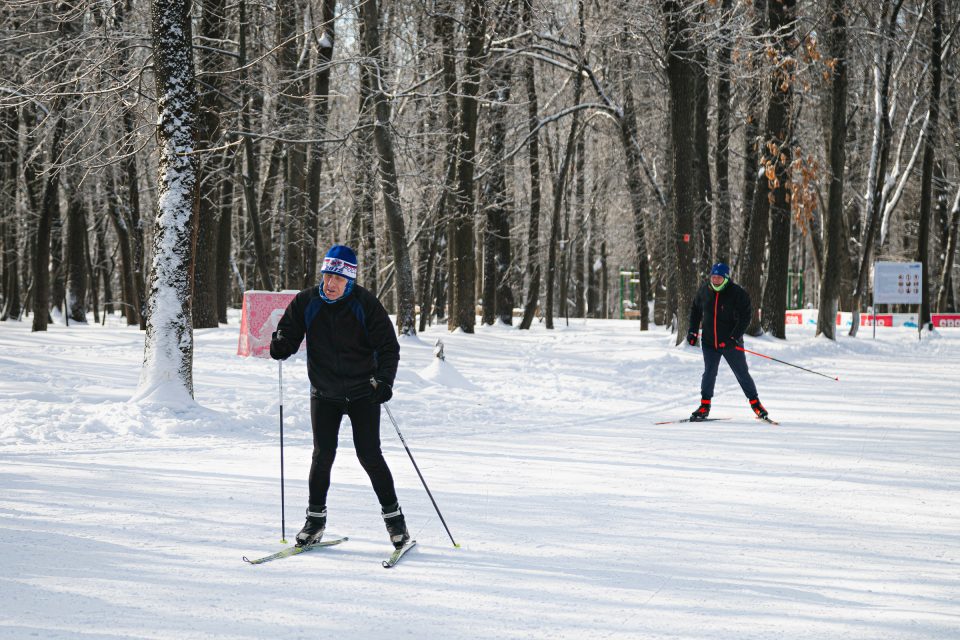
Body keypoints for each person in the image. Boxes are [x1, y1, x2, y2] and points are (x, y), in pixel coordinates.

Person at [269, 244, 410, 549]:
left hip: (363, 392)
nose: (330, 284)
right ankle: (314, 521)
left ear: (350, 280)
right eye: (327, 276)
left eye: (338, 278)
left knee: (369, 455)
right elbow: (288, 334)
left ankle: (396, 522)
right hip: (324, 392)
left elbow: (388, 348)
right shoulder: (307, 301)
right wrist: (281, 344)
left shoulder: (365, 304)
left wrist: (384, 380)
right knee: (323, 455)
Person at [686, 262, 770, 421]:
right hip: (710, 342)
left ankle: (756, 404)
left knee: (741, 373)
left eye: (718, 277)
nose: (715, 280)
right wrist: (692, 331)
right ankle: (704, 405)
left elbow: (746, 317)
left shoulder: (737, 293)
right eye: (713, 277)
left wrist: (734, 337)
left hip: (730, 343)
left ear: (725, 278)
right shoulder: (704, 291)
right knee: (709, 373)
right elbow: (695, 311)